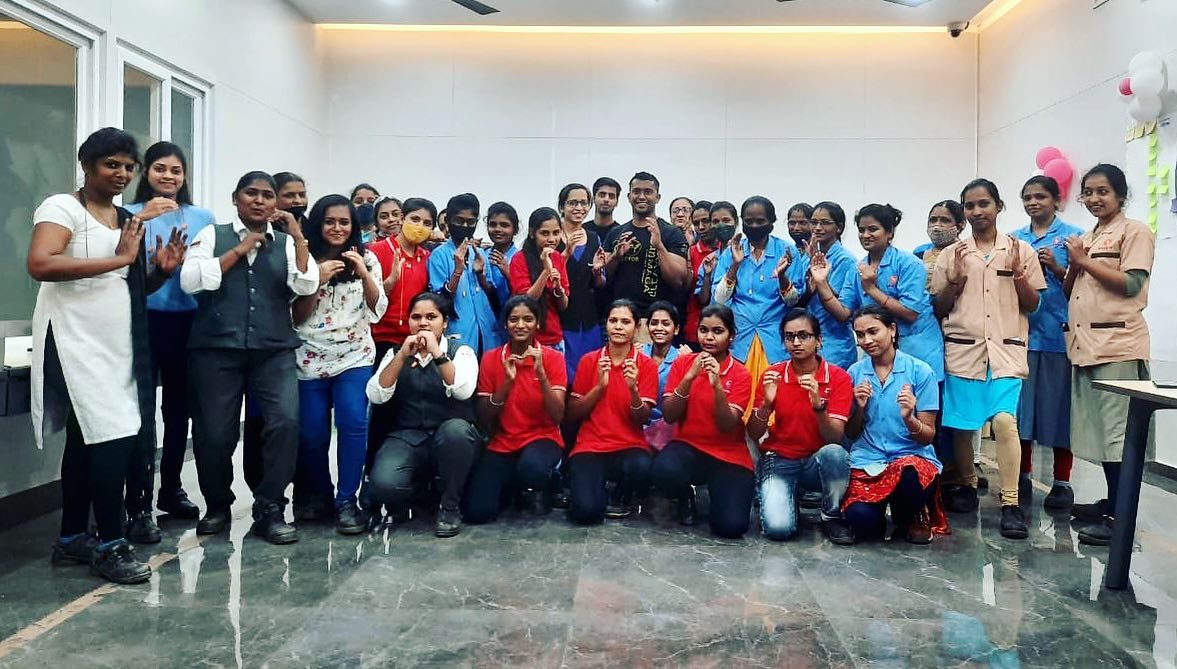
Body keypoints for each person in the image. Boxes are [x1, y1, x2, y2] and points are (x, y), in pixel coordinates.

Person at [29, 127, 183, 584]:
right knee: (114, 435)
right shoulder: (62, 207)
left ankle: (73, 538)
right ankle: (111, 543)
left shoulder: (124, 218)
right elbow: (41, 263)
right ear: (87, 165)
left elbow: (124, 283)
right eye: (110, 164)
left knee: (87, 439)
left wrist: (159, 273)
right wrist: (119, 259)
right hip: (74, 340)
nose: (120, 173)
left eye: (127, 166)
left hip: (116, 345)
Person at [181, 170, 319, 544]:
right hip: (216, 350)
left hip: (273, 351)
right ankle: (217, 505)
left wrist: (299, 236)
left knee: (285, 423)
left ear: (276, 203)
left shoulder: (288, 243)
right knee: (213, 433)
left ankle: (270, 506)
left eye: (267, 195)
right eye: (251, 194)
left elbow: (306, 283)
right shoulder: (213, 235)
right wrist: (239, 251)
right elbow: (191, 281)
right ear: (236, 198)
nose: (259, 201)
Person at [931, 178, 1046, 540]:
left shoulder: (1020, 250)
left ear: (998, 206)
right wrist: (956, 281)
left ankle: (1011, 503)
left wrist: (1018, 276)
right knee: (963, 425)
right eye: (970, 206)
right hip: (964, 351)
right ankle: (966, 483)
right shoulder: (952, 254)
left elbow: (1034, 305)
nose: (977, 211)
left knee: (1004, 422)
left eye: (984, 204)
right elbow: (938, 307)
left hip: (1006, 352)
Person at [123, 141, 214, 537]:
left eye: (176, 170)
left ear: (185, 176)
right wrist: (142, 219)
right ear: (146, 172)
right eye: (160, 168)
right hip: (141, 322)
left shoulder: (203, 217)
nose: (168, 176)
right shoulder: (128, 214)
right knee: (140, 411)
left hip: (190, 324)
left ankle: (171, 488)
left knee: (179, 412)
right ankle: (138, 500)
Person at [1065, 164, 1155, 546]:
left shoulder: (1135, 232)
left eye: (1102, 191)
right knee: (1100, 434)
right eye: (1088, 192)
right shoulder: (1089, 235)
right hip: (1087, 347)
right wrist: (1069, 266)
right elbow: (1075, 288)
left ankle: (1122, 515)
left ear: (1120, 195)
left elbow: (1132, 284)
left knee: (1119, 436)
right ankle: (1112, 500)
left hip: (1117, 347)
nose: (1094, 199)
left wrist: (1084, 261)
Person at [292, 195, 386, 535]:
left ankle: (348, 500)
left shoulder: (368, 258)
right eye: (330, 221)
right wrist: (314, 280)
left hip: (354, 357)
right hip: (309, 359)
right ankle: (321, 495)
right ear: (318, 224)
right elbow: (294, 317)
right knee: (312, 434)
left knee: (353, 424)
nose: (337, 228)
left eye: (344, 222)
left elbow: (379, 310)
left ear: (353, 227)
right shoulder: (303, 260)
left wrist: (363, 273)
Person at [366, 292, 482, 537]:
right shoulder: (397, 353)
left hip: (448, 436)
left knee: (456, 432)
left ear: (445, 322)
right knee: (384, 485)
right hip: (408, 435)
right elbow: (377, 394)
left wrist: (437, 355)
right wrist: (400, 357)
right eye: (416, 317)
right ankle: (420, 492)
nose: (423, 323)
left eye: (432, 317)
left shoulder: (461, 351)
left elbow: (462, 390)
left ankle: (449, 506)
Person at [747, 309, 854, 544]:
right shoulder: (772, 374)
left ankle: (831, 514)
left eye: (804, 335)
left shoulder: (838, 378)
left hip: (818, 460)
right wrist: (766, 403)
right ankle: (787, 494)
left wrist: (818, 406)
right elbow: (753, 433)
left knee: (836, 454)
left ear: (819, 340)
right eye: (789, 336)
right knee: (778, 530)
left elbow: (835, 437)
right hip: (780, 458)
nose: (796, 342)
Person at [1011, 176, 1083, 511]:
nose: (1033, 202)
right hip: (1022, 337)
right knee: (1020, 413)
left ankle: (1062, 482)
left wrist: (1056, 268)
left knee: (1058, 412)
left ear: (1057, 200)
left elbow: (1082, 288)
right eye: (1027, 197)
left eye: (1041, 196)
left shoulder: (1074, 238)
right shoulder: (1013, 240)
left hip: (1059, 336)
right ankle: (1021, 475)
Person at [843, 306, 944, 544]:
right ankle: (883, 513)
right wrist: (859, 408)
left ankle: (914, 513)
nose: (866, 340)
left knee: (910, 477)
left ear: (892, 330)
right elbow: (850, 432)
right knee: (861, 521)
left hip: (911, 457)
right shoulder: (855, 373)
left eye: (872, 331)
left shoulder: (921, 372)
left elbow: (928, 436)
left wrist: (910, 418)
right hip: (869, 460)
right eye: (860, 335)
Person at [654, 305, 755, 538]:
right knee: (662, 470)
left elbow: (726, 424)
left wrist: (717, 386)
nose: (709, 337)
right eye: (703, 330)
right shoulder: (683, 364)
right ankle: (684, 496)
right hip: (689, 447)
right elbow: (669, 415)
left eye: (717, 331)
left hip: (729, 455)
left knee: (731, 528)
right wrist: (689, 377)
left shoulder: (741, 374)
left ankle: (720, 494)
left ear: (732, 336)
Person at [466, 296, 567, 522]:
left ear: (538, 323)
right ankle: (512, 487)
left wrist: (541, 375)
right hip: (503, 442)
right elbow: (483, 417)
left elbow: (558, 415)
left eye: (528, 319)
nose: (520, 325)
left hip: (543, 437)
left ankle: (548, 482)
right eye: (514, 319)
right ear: (505, 324)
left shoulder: (553, 358)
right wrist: (507, 384)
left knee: (531, 468)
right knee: (478, 512)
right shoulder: (492, 358)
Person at [240, 170, 309, 497]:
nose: (297, 202)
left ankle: (288, 491)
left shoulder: (306, 233)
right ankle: (261, 491)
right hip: (266, 342)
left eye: (301, 195)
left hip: (299, 344)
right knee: (259, 421)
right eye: (289, 196)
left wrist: (299, 238)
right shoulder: (255, 237)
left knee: (288, 422)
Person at [565, 300, 658, 523]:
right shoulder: (589, 360)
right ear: (605, 325)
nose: (618, 326)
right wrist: (599, 388)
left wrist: (633, 389)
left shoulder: (645, 365)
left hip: (629, 446)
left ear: (636, 328)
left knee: (643, 467)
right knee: (586, 514)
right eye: (613, 320)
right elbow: (572, 414)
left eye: (625, 322)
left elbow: (642, 419)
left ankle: (620, 494)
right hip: (591, 446)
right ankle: (593, 490)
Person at [367, 198, 435, 474]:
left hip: (412, 343)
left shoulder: (427, 258)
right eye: (415, 219)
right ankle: (371, 480)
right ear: (402, 219)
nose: (420, 227)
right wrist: (389, 282)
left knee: (405, 414)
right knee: (381, 413)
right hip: (381, 341)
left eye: (427, 223)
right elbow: (367, 299)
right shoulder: (377, 252)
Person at [708, 196, 801, 386]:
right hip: (739, 336)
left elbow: (793, 301)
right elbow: (719, 299)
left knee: (773, 398)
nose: (754, 225)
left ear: (772, 222)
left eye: (760, 221)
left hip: (775, 338)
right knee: (738, 395)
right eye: (749, 221)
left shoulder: (787, 251)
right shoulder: (732, 251)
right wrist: (735, 265)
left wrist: (782, 277)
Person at [854, 203, 945, 382]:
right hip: (879, 354)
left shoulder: (909, 264)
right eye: (861, 230)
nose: (865, 235)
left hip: (917, 350)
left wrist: (872, 289)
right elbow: (845, 312)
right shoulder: (858, 268)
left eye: (873, 229)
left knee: (922, 406)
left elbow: (910, 313)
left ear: (890, 233)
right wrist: (821, 282)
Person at [603, 172, 691, 318]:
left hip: (657, 321)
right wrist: (615, 256)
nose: (642, 197)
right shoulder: (615, 233)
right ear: (629, 196)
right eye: (636, 191)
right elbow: (602, 279)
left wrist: (659, 246)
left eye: (648, 192)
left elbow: (678, 281)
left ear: (657, 197)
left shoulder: (672, 233)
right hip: (622, 317)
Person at [429, 193, 500, 357]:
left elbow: (493, 297)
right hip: (458, 333)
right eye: (459, 221)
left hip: (487, 332)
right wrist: (458, 270)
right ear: (448, 221)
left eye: (471, 222)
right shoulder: (439, 255)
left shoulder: (480, 253)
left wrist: (481, 275)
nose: (465, 226)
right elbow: (440, 301)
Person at [797, 202, 861, 370]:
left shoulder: (845, 259)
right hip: (808, 338)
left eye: (825, 222)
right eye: (814, 222)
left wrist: (821, 280)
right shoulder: (808, 256)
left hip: (835, 343)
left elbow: (842, 308)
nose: (817, 227)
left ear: (839, 227)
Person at [557, 183, 608, 379]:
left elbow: (600, 283)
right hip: (561, 317)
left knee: (589, 376)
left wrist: (597, 272)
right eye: (573, 203)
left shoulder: (594, 238)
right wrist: (566, 252)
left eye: (584, 203)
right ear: (562, 206)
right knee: (563, 377)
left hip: (588, 319)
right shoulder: (553, 236)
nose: (579, 208)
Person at [509, 207, 570, 350]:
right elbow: (526, 301)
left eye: (556, 233)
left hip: (554, 338)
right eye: (544, 233)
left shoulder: (558, 258)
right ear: (532, 233)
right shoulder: (519, 259)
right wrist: (546, 271)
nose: (551, 239)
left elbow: (564, 305)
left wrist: (558, 289)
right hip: (526, 339)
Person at [640, 301, 691, 450]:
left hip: (668, 431)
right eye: (654, 323)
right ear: (648, 327)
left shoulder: (682, 359)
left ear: (676, 329)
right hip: (636, 425)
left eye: (665, 323)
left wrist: (688, 364)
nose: (659, 328)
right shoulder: (637, 354)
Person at [484, 201, 521, 346]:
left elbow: (527, 296)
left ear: (515, 229)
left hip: (513, 324)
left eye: (504, 225)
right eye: (493, 224)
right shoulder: (481, 255)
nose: (497, 229)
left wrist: (508, 273)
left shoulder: (521, 258)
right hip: (486, 324)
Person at [684, 200, 718, 349]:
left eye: (706, 221)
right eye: (696, 223)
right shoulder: (690, 252)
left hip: (726, 327)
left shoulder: (731, 250)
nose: (701, 227)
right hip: (696, 328)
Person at [585, 176, 621, 242]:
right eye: (602, 195)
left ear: (617, 202)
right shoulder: (582, 231)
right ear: (593, 199)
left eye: (611, 196)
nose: (606, 199)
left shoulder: (621, 233)